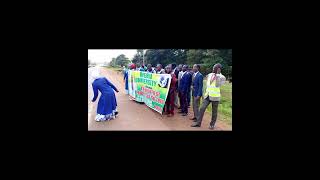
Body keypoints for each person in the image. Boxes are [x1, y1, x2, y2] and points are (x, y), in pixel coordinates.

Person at [191, 63, 226, 129]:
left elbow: (217, 85)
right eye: (213, 67)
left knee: (214, 111)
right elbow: (208, 84)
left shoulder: (222, 77)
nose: (213, 69)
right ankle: (198, 123)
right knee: (202, 108)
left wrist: (218, 75)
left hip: (215, 97)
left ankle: (212, 124)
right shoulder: (210, 75)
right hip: (207, 95)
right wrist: (205, 93)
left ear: (219, 69)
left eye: (215, 68)